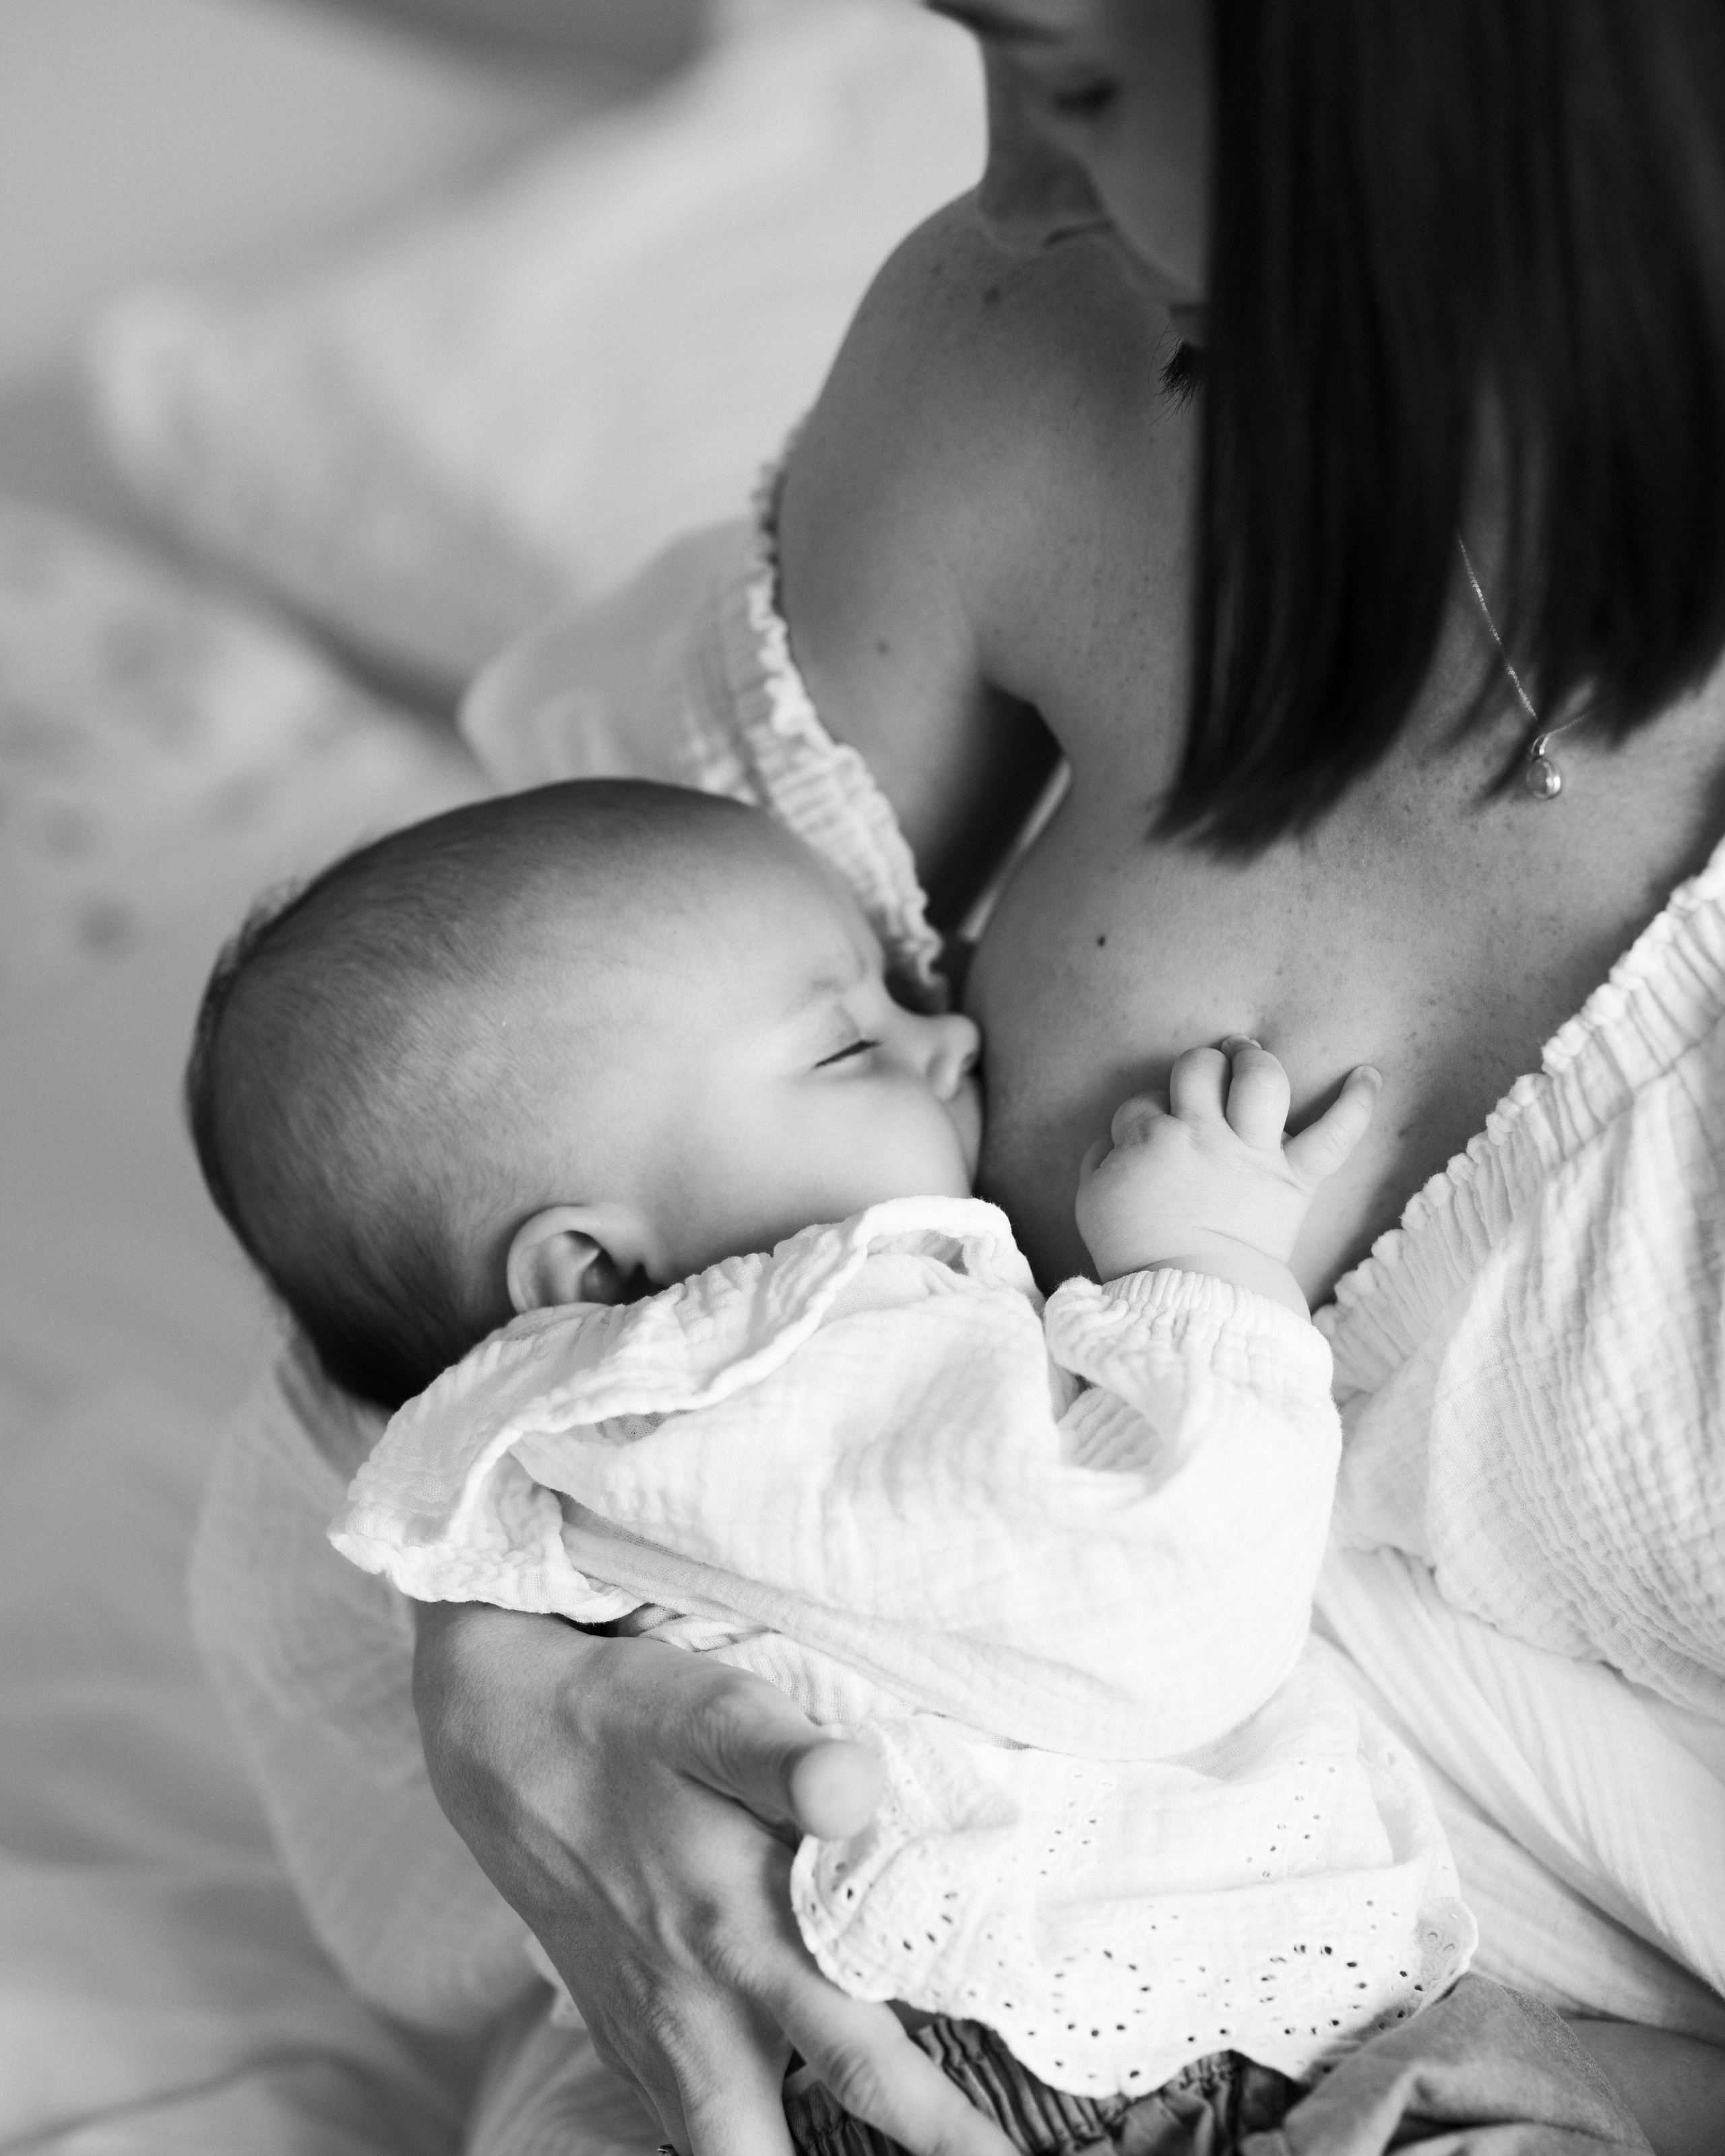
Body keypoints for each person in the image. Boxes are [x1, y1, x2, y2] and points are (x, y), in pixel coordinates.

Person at [385, 5, 1725, 2153]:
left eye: (1083, 77)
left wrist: (1653, 2091)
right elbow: (474, 1155)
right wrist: (504, 1674)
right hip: (901, 1959)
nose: (1012, 179)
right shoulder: (1036, 343)